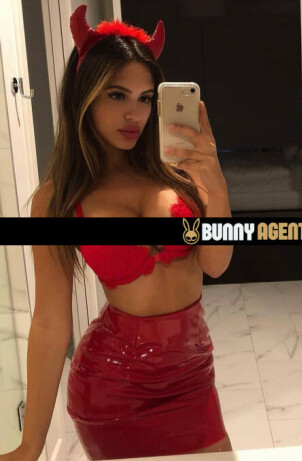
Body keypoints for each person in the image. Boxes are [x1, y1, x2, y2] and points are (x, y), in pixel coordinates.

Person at [0, 4, 233, 461]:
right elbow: (50, 323)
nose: (134, 114)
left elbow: (216, 263)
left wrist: (215, 181)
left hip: (192, 379)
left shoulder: (179, 176)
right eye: (116, 94)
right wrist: (31, 445)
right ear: (83, 97)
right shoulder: (58, 199)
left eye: (145, 99)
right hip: (112, 391)